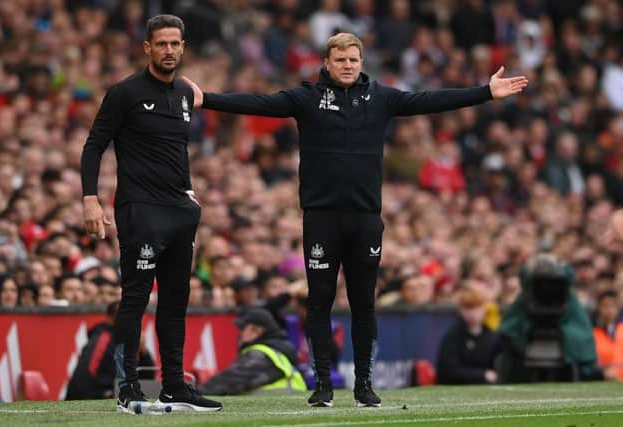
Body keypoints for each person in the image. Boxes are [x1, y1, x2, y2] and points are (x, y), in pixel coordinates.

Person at [183, 32, 527, 407]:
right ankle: (323, 386)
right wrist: (207, 99)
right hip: (321, 219)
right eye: (341, 59)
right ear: (327, 63)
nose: (347, 65)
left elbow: (430, 101)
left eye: (353, 60)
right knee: (319, 302)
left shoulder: (381, 97)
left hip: (365, 219)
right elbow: (259, 104)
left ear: (361, 62)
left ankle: (364, 384)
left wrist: (484, 92)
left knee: (364, 303)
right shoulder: (307, 97)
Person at [80, 14, 221, 412]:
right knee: (136, 298)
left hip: (179, 210)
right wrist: (90, 198)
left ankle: (174, 385)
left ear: (183, 47)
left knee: (176, 301)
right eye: (162, 44)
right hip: (139, 209)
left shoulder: (183, 95)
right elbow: (94, 146)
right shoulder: (124, 93)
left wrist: (189, 193)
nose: (170, 51)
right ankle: (127, 389)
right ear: (147, 48)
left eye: (176, 44)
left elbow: (174, 150)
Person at [200, 307, 306, 395]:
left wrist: (196, 392)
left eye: (242, 328)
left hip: (281, 404)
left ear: (256, 331)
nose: (239, 333)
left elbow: (230, 380)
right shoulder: (276, 350)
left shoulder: (261, 354)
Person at [437, 287, 501, 384]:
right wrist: (482, 374)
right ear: (461, 310)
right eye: (468, 308)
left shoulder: (492, 337)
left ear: (484, 309)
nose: (472, 313)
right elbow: (449, 369)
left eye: (476, 308)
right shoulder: (453, 336)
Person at [592, 290, 623, 381]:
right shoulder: (593, 333)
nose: (609, 310)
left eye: (612, 306)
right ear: (599, 308)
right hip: (604, 380)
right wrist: (602, 373)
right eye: (605, 306)